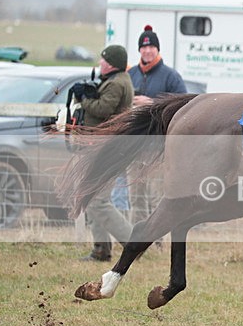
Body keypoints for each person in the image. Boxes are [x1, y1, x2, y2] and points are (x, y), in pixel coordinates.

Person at [127, 25, 187, 224]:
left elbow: (183, 108)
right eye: (144, 47)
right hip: (135, 147)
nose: (147, 50)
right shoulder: (131, 74)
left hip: (158, 148)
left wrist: (152, 104)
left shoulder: (171, 76)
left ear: (157, 49)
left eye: (151, 47)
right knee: (135, 197)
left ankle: (157, 240)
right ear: (139, 50)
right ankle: (135, 239)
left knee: (156, 197)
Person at [80, 45, 134, 261]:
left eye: (103, 60)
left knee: (98, 201)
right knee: (91, 197)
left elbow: (103, 109)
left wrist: (83, 99)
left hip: (109, 149)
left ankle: (134, 243)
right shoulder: (116, 80)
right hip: (104, 147)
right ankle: (101, 250)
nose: (100, 63)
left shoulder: (118, 83)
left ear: (111, 63)